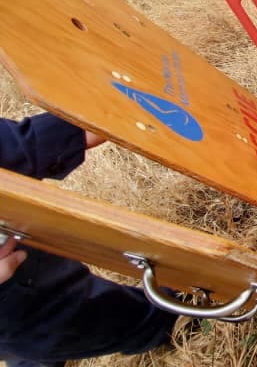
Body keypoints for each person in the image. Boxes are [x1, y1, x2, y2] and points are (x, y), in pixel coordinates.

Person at [0, 112, 179, 366]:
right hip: (13, 305)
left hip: (16, 245)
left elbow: (27, 144)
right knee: (145, 321)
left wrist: (122, 105)